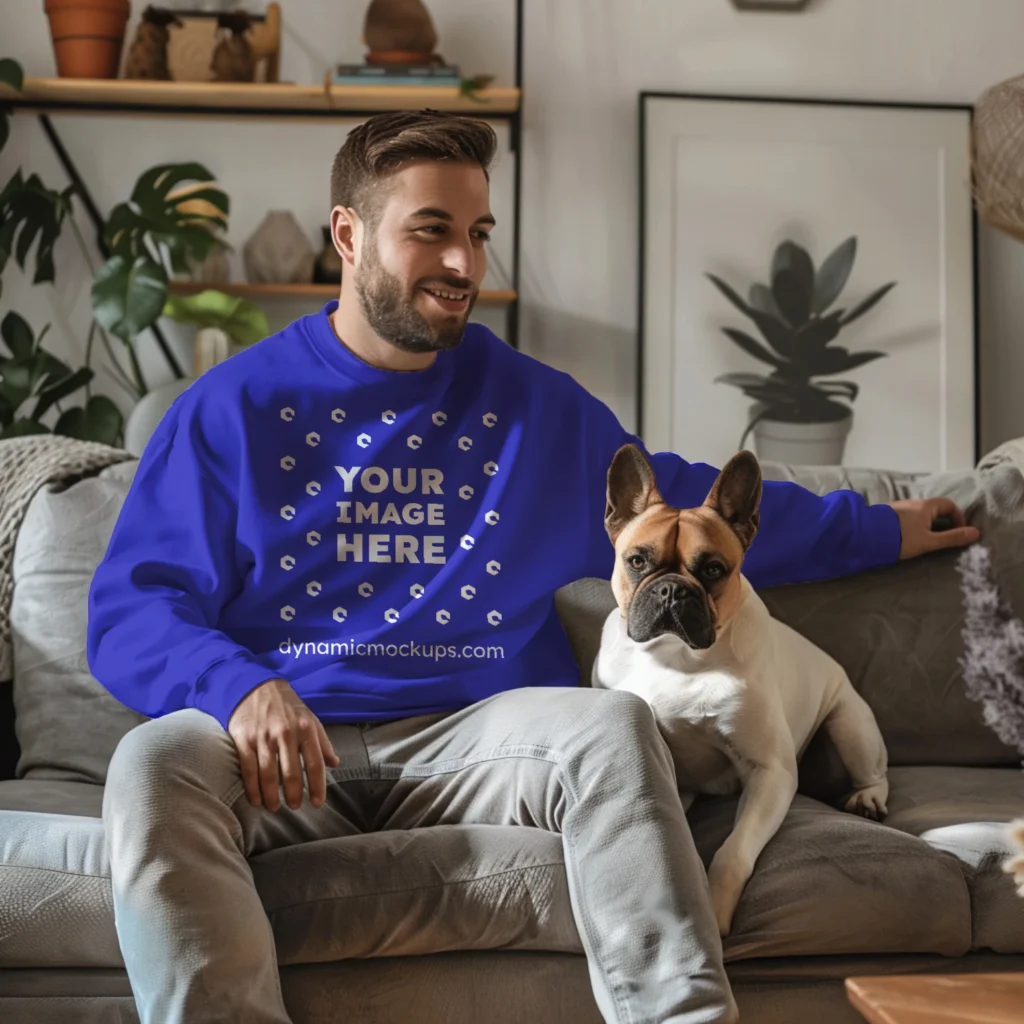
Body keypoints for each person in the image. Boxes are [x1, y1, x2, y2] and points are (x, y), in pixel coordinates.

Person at [87, 109, 980, 1024]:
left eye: (478, 235)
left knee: (611, 728)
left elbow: (689, 508)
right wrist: (238, 689)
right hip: (286, 748)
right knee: (150, 766)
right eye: (431, 230)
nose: (465, 266)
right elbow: (130, 610)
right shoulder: (232, 408)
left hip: (484, 737)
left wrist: (883, 528)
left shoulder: (534, 410)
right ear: (348, 236)